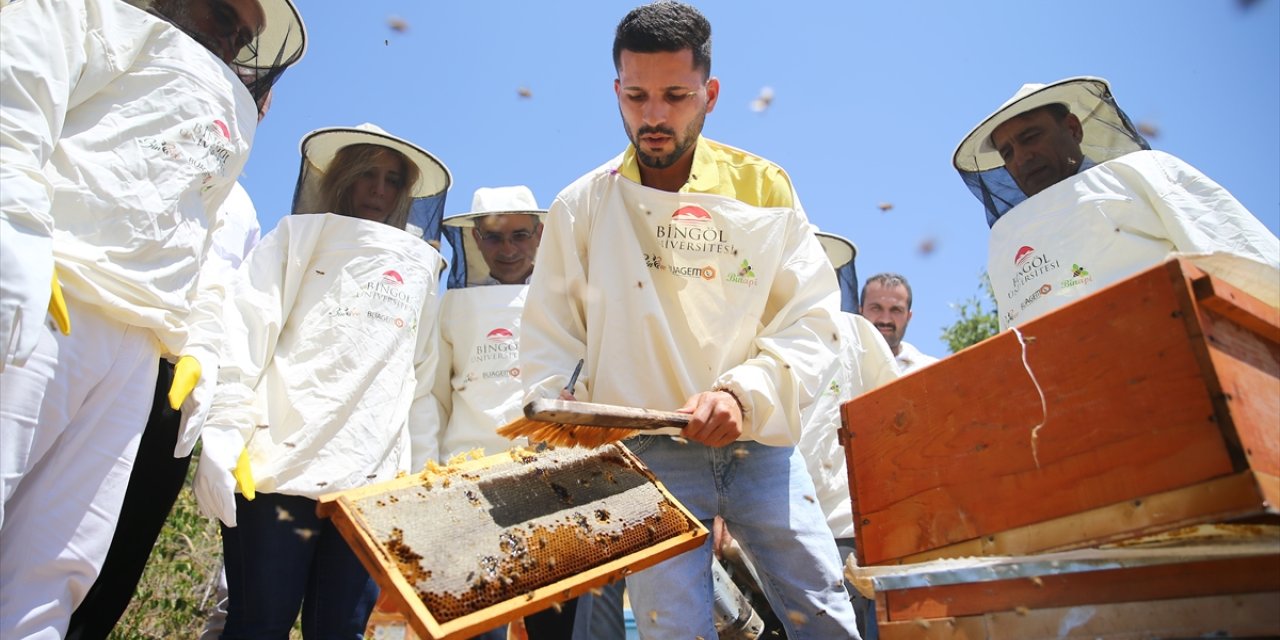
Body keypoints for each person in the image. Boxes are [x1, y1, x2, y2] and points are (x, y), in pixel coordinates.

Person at [520, 3, 861, 638]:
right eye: (637, 95)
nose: (653, 116)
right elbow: (551, 335)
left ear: (710, 93)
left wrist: (742, 393)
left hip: (760, 449)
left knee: (824, 616)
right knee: (671, 628)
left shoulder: (764, 187)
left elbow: (811, 320)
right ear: (615, 91)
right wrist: (561, 404)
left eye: (675, 95)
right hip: (646, 459)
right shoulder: (582, 206)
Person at [0, 0, 304, 635]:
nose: (233, 40)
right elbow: (13, 107)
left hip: (139, 352)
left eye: (246, 37)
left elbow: (200, 254)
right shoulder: (78, 15)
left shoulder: (220, 131)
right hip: (49, 299)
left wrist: (199, 350)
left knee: (58, 564)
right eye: (223, 15)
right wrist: (15, 245)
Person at [195, 123, 451, 637]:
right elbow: (247, 331)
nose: (379, 190)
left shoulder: (422, 269)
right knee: (257, 625)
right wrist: (223, 429)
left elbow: (417, 386)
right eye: (367, 175)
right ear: (342, 178)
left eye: (392, 180)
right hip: (276, 469)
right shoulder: (294, 238)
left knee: (341, 630)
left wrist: (419, 481)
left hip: (366, 488)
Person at [68, 83, 287, 640]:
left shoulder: (243, 209)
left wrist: (220, 414)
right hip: (88, 337)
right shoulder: (135, 125)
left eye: (261, 95)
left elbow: (229, 309)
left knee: (117, 549)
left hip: (172, 394)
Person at [953, 76, 1279, 328]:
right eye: (1008, 152)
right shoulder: (1006, 241)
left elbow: (1245, 263)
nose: (1022, 157)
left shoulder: (1144, 172)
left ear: (1072, 128)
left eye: (1030, 137)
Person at [799, 232, 900, 640]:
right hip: (772, 533)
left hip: (847, 531)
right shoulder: (758, 334)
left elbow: (894, 421)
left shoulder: (858, 333)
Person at [859, 273, 938, 374]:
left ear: (908, 317)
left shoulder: (932, 371)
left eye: (896, 310)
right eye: (876, 308)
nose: (885, 320)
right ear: (860, 313)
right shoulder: (839, 367)